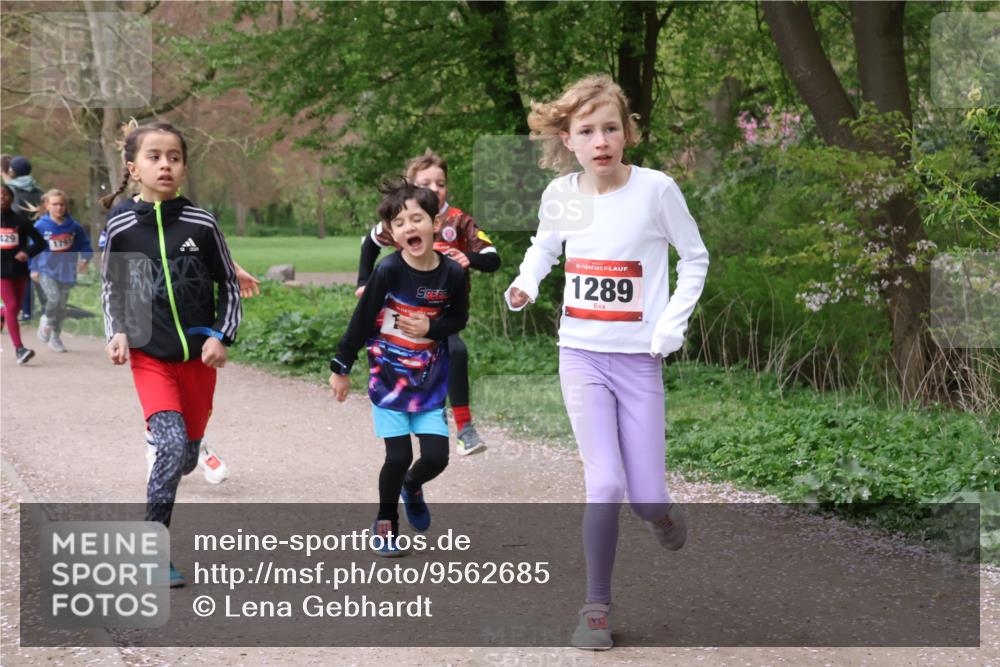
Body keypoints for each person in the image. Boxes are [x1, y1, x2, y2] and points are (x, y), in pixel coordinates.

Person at [505, 74, 709, 650]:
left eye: (611, 128)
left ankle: (664, 517)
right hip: (581, 356)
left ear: (628, 133)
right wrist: (524, 284)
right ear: (567, 139)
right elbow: (545, 246)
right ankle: (596, 607)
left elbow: (694, 257)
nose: (601, 141)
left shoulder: (656, 190)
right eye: (587, 130)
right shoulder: (561, 195)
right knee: (607, 483)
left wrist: (671, 323)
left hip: (639, 361)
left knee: (646, 497)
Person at [102, 121, 242, 587]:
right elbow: (112, 286)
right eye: (154, 156)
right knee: (170, 445)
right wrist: (117, 330)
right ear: (133, 168)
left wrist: (221, 335)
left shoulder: (201, 223)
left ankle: (181, 447)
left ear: (183, 167)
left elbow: (230, 285)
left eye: (175, 157)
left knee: (184, 454)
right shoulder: (121, 222)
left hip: (199, 360)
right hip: (149, 355)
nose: (166, 164)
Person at [331, 178, 468, 557]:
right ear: (391, 233)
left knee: (437, 457)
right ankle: (385, 523)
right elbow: (362, 320)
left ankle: (412, 485)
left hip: (428, 380)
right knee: (397, 455)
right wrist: (341, 365)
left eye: (417, 218)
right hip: (388, 380)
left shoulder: (452, 275)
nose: (410, 227)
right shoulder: (389, 271)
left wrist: (431, 328)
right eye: (400, 222)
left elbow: (459, 319)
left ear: (434, 223)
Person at [356, 150, 499, 456]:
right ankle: (405, 417)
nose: (435, 189)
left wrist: (468, 258)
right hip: (401, 310)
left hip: (441, 312)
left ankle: (464, 429)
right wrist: (364, 283)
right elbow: (368, 243)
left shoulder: (458, 220)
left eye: (441, 183)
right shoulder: (403, 217)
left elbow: (492, 258)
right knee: (404, 359)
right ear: (411, 185)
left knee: (455, 351)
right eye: (426, 183)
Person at [29, 189, 93, 353]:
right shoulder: (40, 226)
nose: (59, 208)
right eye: (55, 204)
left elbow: (84, 244)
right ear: (47, 206)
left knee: (62, 306)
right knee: (53, 298)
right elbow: (31, 248)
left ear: (66, 206)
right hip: (46, 270)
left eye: (62, 204)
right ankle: (47, 321)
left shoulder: (73, 226)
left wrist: (85, 259)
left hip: (67, 271)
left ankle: (55, 337)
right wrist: (33, 268)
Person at [1, 184, 47, 363]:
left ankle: (1, 314)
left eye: (5, 195)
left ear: (11, 198)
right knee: (12, 306)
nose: (1, 198)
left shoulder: (20, 221)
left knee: (14, 308)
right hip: (0, 272)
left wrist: (27, 252)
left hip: (19, 270)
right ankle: (19, 349)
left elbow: (40, 242)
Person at [3, 155, 44, 320]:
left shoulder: (9, 189)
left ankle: (21, 310)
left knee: (19, 273)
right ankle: (28, 310)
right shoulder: (37, 189)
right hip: (35, 232)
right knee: (30, 273)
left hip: (16, 233)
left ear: (13, 171)